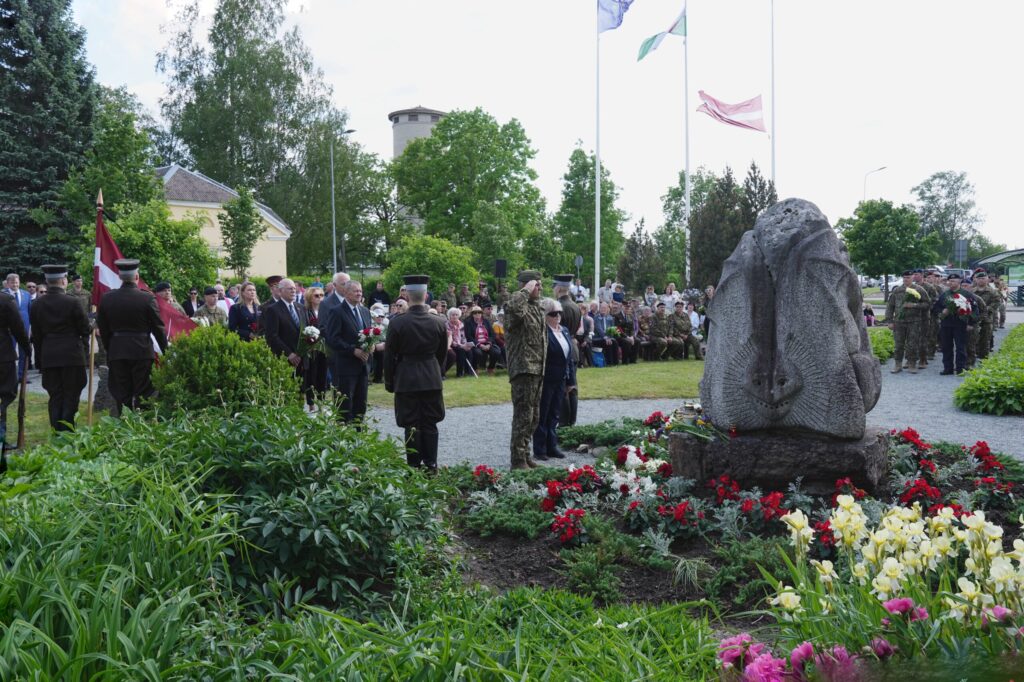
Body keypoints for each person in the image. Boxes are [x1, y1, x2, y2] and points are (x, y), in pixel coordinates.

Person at [384, 275, 449, 471]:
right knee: (430, 422)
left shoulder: (397, 323)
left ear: (407, 296)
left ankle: (413, 467)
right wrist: (435, 371)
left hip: (406, 379)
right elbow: (442, 354)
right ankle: (431, 464)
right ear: (426, 296)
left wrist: (390, 381)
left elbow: (389, 356)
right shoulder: (438, 322)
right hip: (431, 377)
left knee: (410, 423)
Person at [96, 259, 167, 415]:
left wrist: (110, 347)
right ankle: (141, 423)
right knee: (144, 393)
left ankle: (125, 422)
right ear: (137, 277)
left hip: (117, 351)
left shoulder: (107, 298)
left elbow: (104, 328)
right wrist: (166, 351)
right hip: (142, 351)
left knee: (122, 393)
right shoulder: (147, 298)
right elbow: (158, 328)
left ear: (120, 277)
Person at [28, 265, 89, 432]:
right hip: (71, 355)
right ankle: (67, 432)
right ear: (63, 280)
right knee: (71, 395)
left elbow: (37, 336)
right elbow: (84, 329)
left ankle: (56, 431)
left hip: (49, 355)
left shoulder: (37, 304)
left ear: (47, 281)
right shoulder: (73, 302)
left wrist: (40, 360)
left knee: (55, 395)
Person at [505, 270, 545, 470]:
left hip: (537, 368)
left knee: (534, 416)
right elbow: (514, 309)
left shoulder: (536, 307)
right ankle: (518, 459)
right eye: (536, 284)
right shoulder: (515, 304)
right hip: (523, 368)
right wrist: (525, 291)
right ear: (526, 285)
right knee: (523, 415)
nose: (540, 287)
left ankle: (525, 455)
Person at [322, 279, 372, 423]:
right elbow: (333, 339)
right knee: (345, 404)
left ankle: (358, 432)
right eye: (356, 291)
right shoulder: (336, 312)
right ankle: (343, 432)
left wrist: (371, 345)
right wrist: (352, 350)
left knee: (361, 404)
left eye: (360, 291)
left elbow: (369, 334)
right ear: (346, 292)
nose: (359, 293)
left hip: (363, 365)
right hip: (346, 366)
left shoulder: (365, 311)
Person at [532, 298, 573, 462]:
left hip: (561, 379)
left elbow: (569, 359)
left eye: (559, 313)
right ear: (545, 315)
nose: (558, 317)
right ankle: (540, 448)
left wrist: (571, 381)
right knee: (543, 413)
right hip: (546, 379)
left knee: (555, 413)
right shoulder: (542, 332)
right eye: (553, 313)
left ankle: (552, 446)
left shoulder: (564, 330)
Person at [0, 289, 29, 460]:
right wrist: (26, 347)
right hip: (2, 356)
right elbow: (18, 327)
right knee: (4, 394)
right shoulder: (5, 300)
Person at [933, 272, 978, 375]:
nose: (950, 283)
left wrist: (971, 323)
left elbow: (974, 310)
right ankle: (948, 368)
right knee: (946, 347)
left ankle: (960, 368)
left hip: (960, 324)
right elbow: (936, 308)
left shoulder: (966, 294)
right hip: (946, 324)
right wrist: (942, 311)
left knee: (960, 347)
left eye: (953, 281)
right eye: (949, 281)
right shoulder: (945, 294)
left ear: (959, 282)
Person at [263, 278, 308, 383]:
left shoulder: (301, 307)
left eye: (294, 288)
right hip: (285, 359)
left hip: (302, 358)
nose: (293, 291)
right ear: (280, 291)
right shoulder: (273, 309)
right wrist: (289, 353)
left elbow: (305, 330)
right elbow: (272, 336)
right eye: (290, 289)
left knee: (303, 388)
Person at [885, 270, 930, 374]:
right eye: (904, 278)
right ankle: (898, 364)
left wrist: (914, 305)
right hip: (899, 322)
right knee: (898, 344)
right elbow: (890, 306)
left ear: (912, 278)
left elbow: (927, 304)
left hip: (914, 322)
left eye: (908, 277)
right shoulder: (897, 290)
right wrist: (890, 321)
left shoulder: (919, 290)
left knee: (912, 344)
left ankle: (912, 364)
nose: (906, 279)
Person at [553, 274, 580, 426]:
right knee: (573, 387)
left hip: (563, 349)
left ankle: (564, 423)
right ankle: (571, 421)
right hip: (573, 348)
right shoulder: (575, 305)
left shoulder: (559, 307)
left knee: (562, 388)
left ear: (558, 288)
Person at [4, 273, 31, 378]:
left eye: (16, 282)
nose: (15, 285)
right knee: (9, 353)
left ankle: (22, 376)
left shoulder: (26, 294)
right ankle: (10, 376)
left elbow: (29, 312)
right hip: (9, 329)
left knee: (24, 352)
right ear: (7, 283)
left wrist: (31, 328)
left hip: (24, 329)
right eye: (12, 282)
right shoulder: (3, 295)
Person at [464, 305, 501, 375]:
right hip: (476, 344)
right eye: (475, 312)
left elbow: (492, 334)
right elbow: (469, 337)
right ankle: (475, 368)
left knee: (496, 352)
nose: (477, 314)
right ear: (472, 314)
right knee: (477, 353)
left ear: (481, 313)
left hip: (487, 343)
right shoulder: (468, 323)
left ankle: (491, 368)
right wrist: (480, 345)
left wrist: (489, 344)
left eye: (479, 312)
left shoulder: (486, 321)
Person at [592, 302, 619, 366]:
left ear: (607, 309)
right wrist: (606, 338)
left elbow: (612, 329)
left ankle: (615, 362)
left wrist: (610, 338)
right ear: (599, 309)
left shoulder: (610, 318)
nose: (603, 309)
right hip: (598, 338)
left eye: (604, 308)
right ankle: (609, 363)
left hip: (607, 338)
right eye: (601, 308)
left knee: (614, 342)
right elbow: (599, 329)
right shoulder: (596, 317)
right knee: (608, 343)